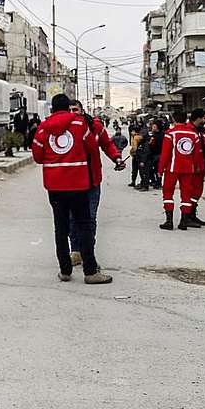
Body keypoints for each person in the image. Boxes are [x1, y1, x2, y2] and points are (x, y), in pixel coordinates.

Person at [32, 94, 112, 284]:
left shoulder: (43, 128)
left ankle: (65, 271)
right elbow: (92, 147)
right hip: (78, 184)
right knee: (84, 225)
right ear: (68, 108)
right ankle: (90, 272)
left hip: (55, 186)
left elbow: (37, 156)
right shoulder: (79, 124)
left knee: (61, 228)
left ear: (52, 108)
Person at [67, 100, 125, 267]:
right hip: (72, 183)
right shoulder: (63, 129)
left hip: (92, 181)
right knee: (72, 219)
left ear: (82, 110)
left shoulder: (95, 127)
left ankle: (88, 254)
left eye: (75, 110)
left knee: (90, 219)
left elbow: (107, 144)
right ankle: (75, 251)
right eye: (70, 110)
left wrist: (117, 158)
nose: (73, 113)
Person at [158, 110, 203, 231]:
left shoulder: (170, 133)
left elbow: (165, 153)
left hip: (172, 168)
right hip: (189, 169)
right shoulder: (194, 135)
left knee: (168, 193)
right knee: (186, 195)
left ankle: (169, 221)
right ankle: (184, 221)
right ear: (186, 120)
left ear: (173, 119)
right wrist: (198, 167)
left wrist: (160, 169)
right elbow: (197, 154)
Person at [187, 108, 205, 227]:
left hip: (200, 167)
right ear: (198, 118)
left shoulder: (197, 130)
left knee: (197, 192)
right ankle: (187, 216)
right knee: (192, 192)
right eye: (203, 118)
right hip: (193, 168)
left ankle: (192, 215)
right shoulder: (190, 131)